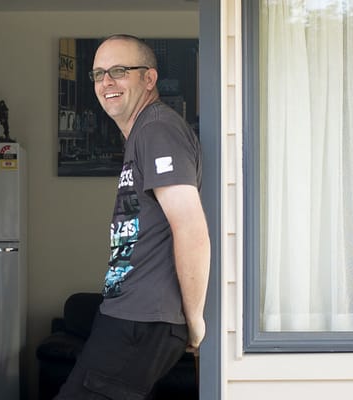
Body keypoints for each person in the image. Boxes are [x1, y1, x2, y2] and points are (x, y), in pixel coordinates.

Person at [55, 34, 210, 400]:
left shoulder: (158, 129)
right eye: (98, 74)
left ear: (149, 79)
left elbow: (189, 225)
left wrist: (195, 318)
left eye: (119, 71)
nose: (106, 82)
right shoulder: (143, 133)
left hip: (143, 320)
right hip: (130, 314)